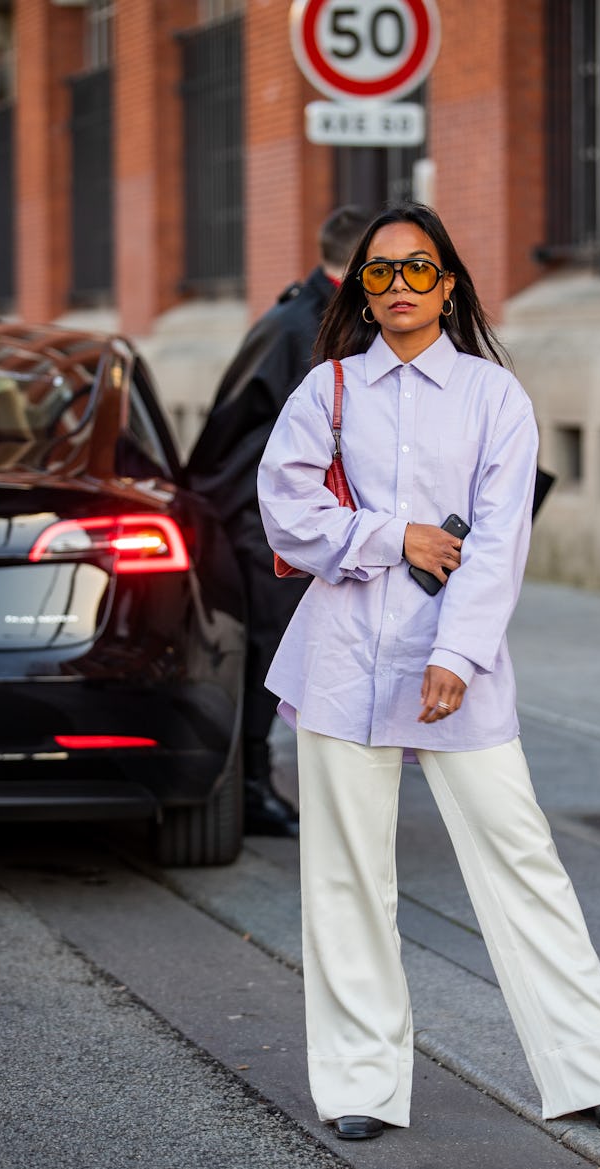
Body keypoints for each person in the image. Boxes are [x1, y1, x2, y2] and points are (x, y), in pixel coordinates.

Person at [257, 203, 600, 1141]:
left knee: (521, 859)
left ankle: (591, 1070)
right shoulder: (327, 391)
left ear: (450, 282)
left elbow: (502, 538)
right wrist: (393, 534)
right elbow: (285, 511)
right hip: (344, 658)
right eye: (380, 272)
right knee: (347, 877)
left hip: (456, 667)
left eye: (417, 269)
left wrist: (456, 654)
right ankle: (360, 1085)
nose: (399, 286)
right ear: (359, 287)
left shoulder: (493, 397)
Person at [187, 204, 370, 837]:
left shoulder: (317, 319)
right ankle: (249, 787)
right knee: (270, 650)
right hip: (270, 523)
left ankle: (259, 783)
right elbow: (240, 434)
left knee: (285, 650)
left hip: (280, 518)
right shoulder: (306, 325)